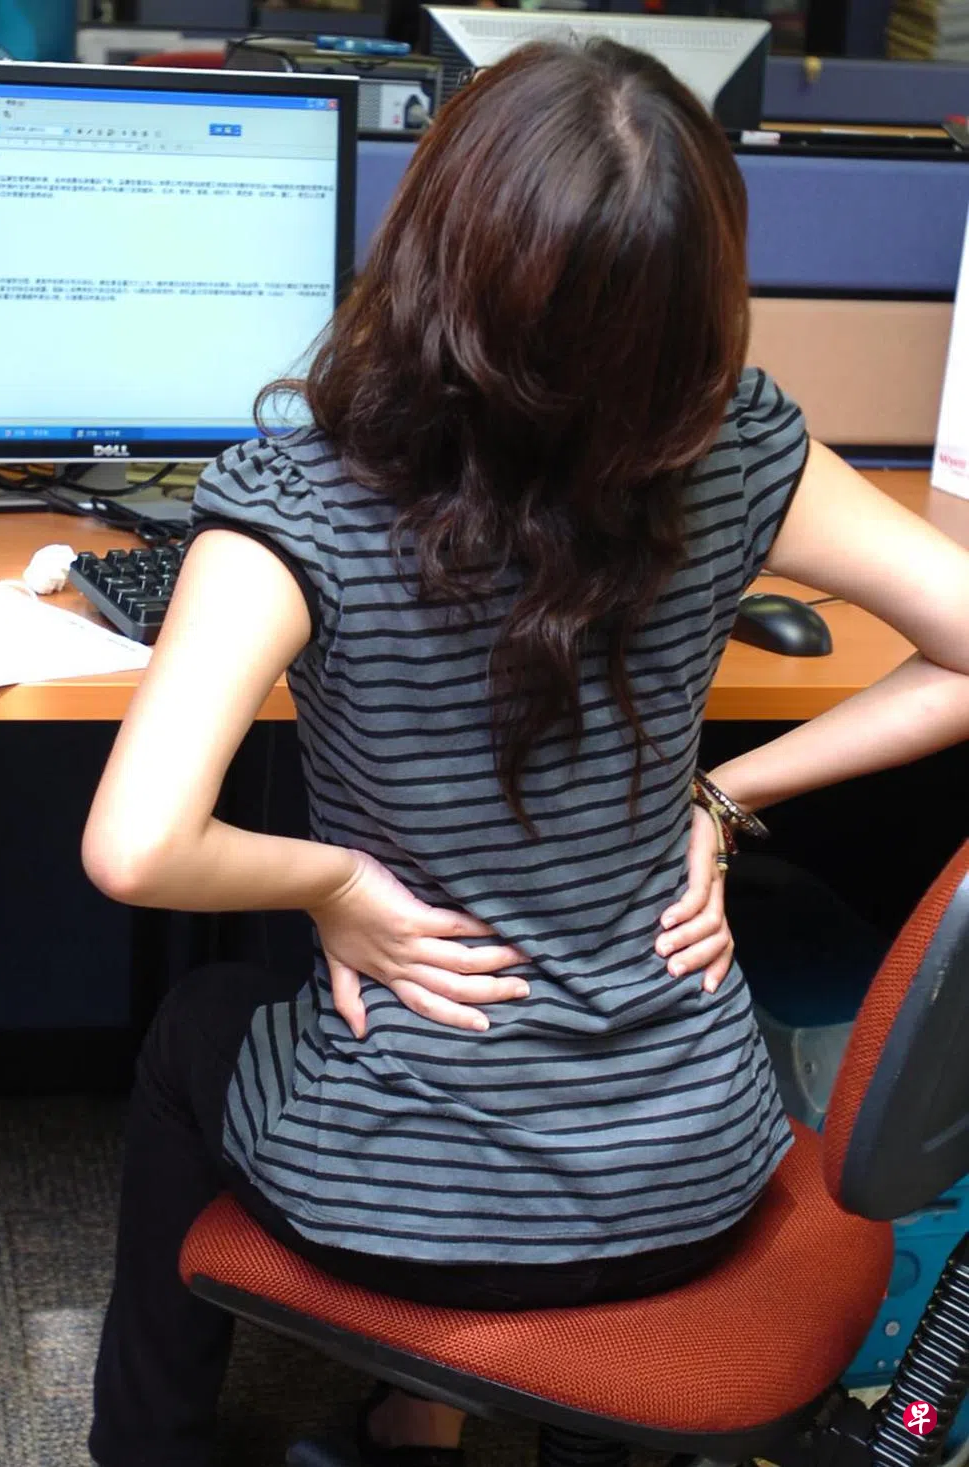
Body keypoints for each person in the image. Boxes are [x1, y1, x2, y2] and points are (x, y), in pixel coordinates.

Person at [81, 39, 969, 1467]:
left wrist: (336, 887)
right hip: (693, 1186)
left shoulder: (304, 496)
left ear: (434, 249)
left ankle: (150, 1447)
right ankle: (423, 1415)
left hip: (413, 1213)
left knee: (199, 1029)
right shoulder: (736, 452)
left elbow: (137, 848)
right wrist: (727, 795)